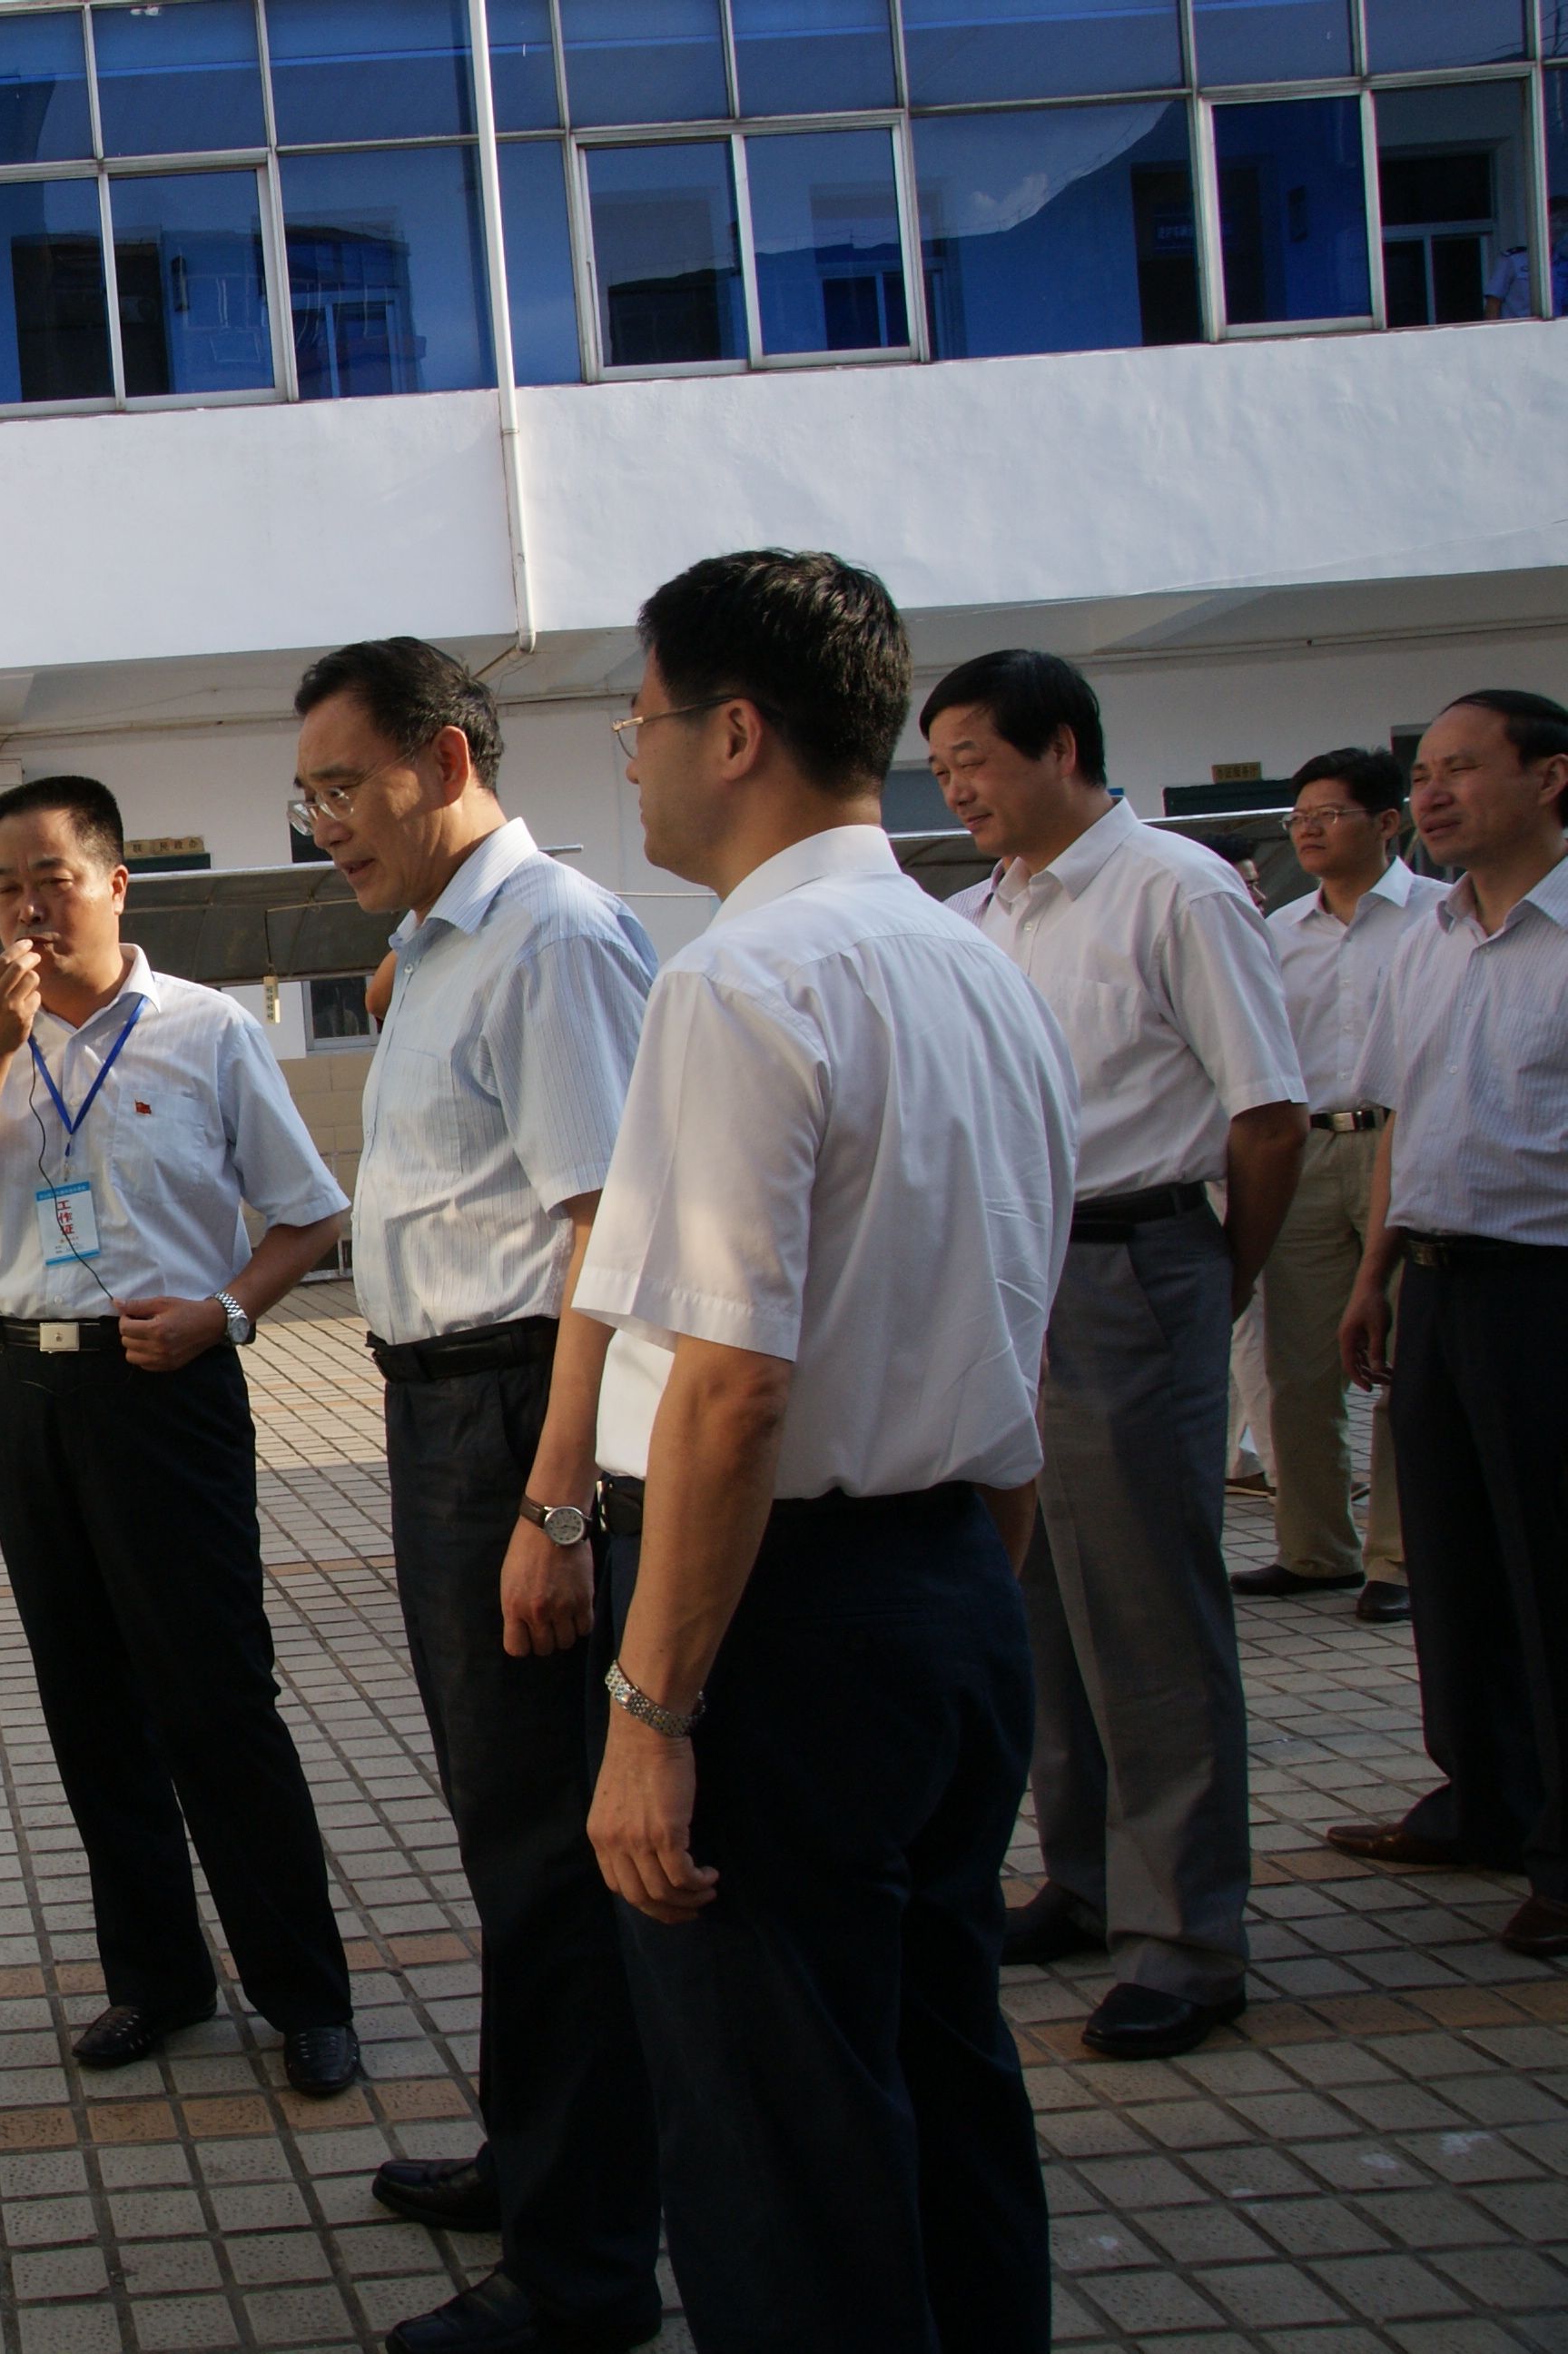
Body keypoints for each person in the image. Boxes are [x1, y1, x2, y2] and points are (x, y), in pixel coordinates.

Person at [583, 549, 1074, 2350]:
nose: (623, 764)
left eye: (634, 723)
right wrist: (961, 1591)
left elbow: (729, 1389)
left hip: (774, 1624)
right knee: (942, 2085)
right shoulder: (977, 966)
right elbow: (1019, 1319)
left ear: (729, 731)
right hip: (950, 1591)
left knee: (781, 2147)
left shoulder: (738, 986)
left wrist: (649, 1719)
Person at [0, 775, 362, 2097]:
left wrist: (228, 1314)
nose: (28, 907)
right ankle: (157, 1979)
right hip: (22, 1393)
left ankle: (304, 1989)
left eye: (54, 878)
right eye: (4, 885)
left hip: (168, 1390)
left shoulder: (206, 1033)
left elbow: (310, 1216)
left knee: (215, 1697)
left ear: (116, 882)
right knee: (87, 1699)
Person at [296, 641, 662, 2354]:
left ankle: (582, 2275)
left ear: (442, 758)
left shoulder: (557, 940)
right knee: (502, 1831)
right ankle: (541, 2161)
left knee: (550, 1848)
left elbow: (608, 1235)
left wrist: (556, 1502)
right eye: (305, 794)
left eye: (344, 786)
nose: (323, 823)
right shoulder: (435, 949)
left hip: (523, 1417)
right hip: (442, 1415)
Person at [931, 648, 1306, 2061]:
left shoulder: (1179, 891)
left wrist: (1211, 1281)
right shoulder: (982, 913)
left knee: (1150, 1610)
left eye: (976, 756)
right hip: (1019, 1274)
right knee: (1037, 1597)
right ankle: (1083, 1879)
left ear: (1065, 746)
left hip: (1141, 1260)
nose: (956, 784)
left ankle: (1188, 1939)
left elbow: (1266, 1116)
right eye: (945, 759)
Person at [1331, 688, 1568, 1962]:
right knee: (1460, 1571)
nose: (1429, 794)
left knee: (1551, 1572)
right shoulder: (1422, 941)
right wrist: (1375, 1280)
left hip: (1547, 1288)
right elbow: (1401, 1127)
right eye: (1422, 772)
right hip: (1435, 1281)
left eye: (1462, 770)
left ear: (1553, 778)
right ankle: (1481, 1799)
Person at [1236, 748, 1444, 1623]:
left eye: (1332, 814)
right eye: (1300, 818)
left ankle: (1398, 1558)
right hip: (1309, 1152)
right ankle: (1315, 1547)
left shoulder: (1440, 920)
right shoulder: (1277, 935)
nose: (1311, 830)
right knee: (1300, 1363)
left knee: (1403, 1365)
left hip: (1408, 1143)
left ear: (1387, 821)